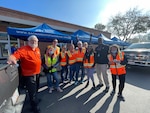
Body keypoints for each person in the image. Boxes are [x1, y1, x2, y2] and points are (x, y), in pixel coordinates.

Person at [7, 35, 41, 113]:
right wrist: (11, 58)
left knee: (36, 89)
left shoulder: (37, 49)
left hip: (37, 73)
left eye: (35, 41)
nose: (34, 42)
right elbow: (15, 55)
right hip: (29, 75)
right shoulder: (23, 49)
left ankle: (35, 100)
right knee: (32, 92)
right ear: (28, 42)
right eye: (32, 40)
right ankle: (35, 108)